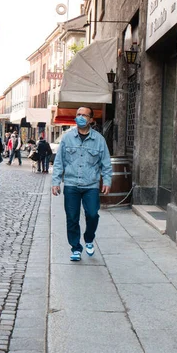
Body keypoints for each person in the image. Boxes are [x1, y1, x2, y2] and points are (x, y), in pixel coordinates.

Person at [52, 106, 112, 261]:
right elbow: (59, 162)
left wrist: (107, 180)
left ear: (91, 119)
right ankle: (76, 248)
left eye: (84, 115)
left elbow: (105, 162)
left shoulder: (99, 139)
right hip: (71, 184)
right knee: (72, 217)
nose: (80, 117)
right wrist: (56, 182)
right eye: (78, 114)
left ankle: (89, 238)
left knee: (92, 215)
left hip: (90, 185)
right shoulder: (67, 138)